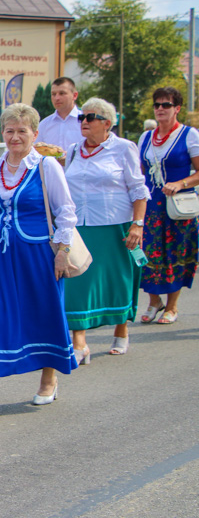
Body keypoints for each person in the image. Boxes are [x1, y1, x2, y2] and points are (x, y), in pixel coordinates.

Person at [0, 103, 78, 416]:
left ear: (34, 134)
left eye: (21, 131)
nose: (15, 137)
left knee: (44, 312)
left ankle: (48, 381)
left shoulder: (46, 167)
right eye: (9, 131)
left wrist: (63, 251)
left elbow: (66, 210)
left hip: (38, 254)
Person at [63, 98, 149, 358]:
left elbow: (138, 189)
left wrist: (137, 224)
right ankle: (80, 343)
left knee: (117, 279)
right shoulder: (73, 150)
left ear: (107, 123)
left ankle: (121, 330)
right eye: (82, 118)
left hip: (115, 224)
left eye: (90, 118)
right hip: (81, 226)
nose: (84, 122)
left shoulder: (124, 148)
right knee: (78, 282)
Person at [137, 87, 199, 325]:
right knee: (146, 253)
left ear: (177, 109)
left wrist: (181, 182)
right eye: (157, 105)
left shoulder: (189, 135)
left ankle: (172, 306)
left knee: (175, 253)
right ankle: (154, 301)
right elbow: (139, 173)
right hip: (150, 206)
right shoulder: (146, 137)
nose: (160, 109)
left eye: (166, 105)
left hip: (177, 205)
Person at [37, 77, 84, 151]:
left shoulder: (85, 121)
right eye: (53, 94)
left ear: (74, 95)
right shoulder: (44, 125)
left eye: (62, 93)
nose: (57, 98)